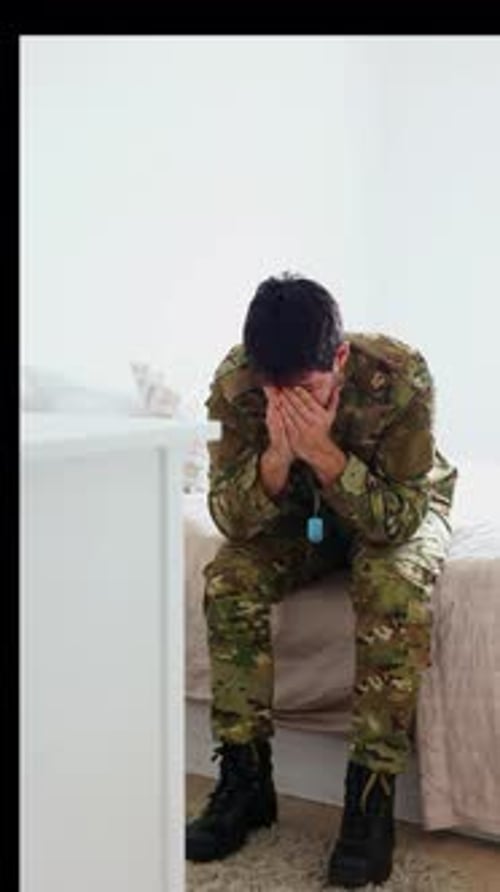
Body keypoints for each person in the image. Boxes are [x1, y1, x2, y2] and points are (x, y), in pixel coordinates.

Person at [186, 272, 457, 887]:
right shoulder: (237, 381)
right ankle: (245, 784)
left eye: (305, 388)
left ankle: (370, 804)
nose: (290, 403)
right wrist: (280, 458)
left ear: (338, 357)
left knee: (392, 588)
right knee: (229, 577)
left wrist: (327, 456)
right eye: (274, 390)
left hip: (390, 506)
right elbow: (230, 516)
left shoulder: (400, 375)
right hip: (296, 512)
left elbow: (397, 521)